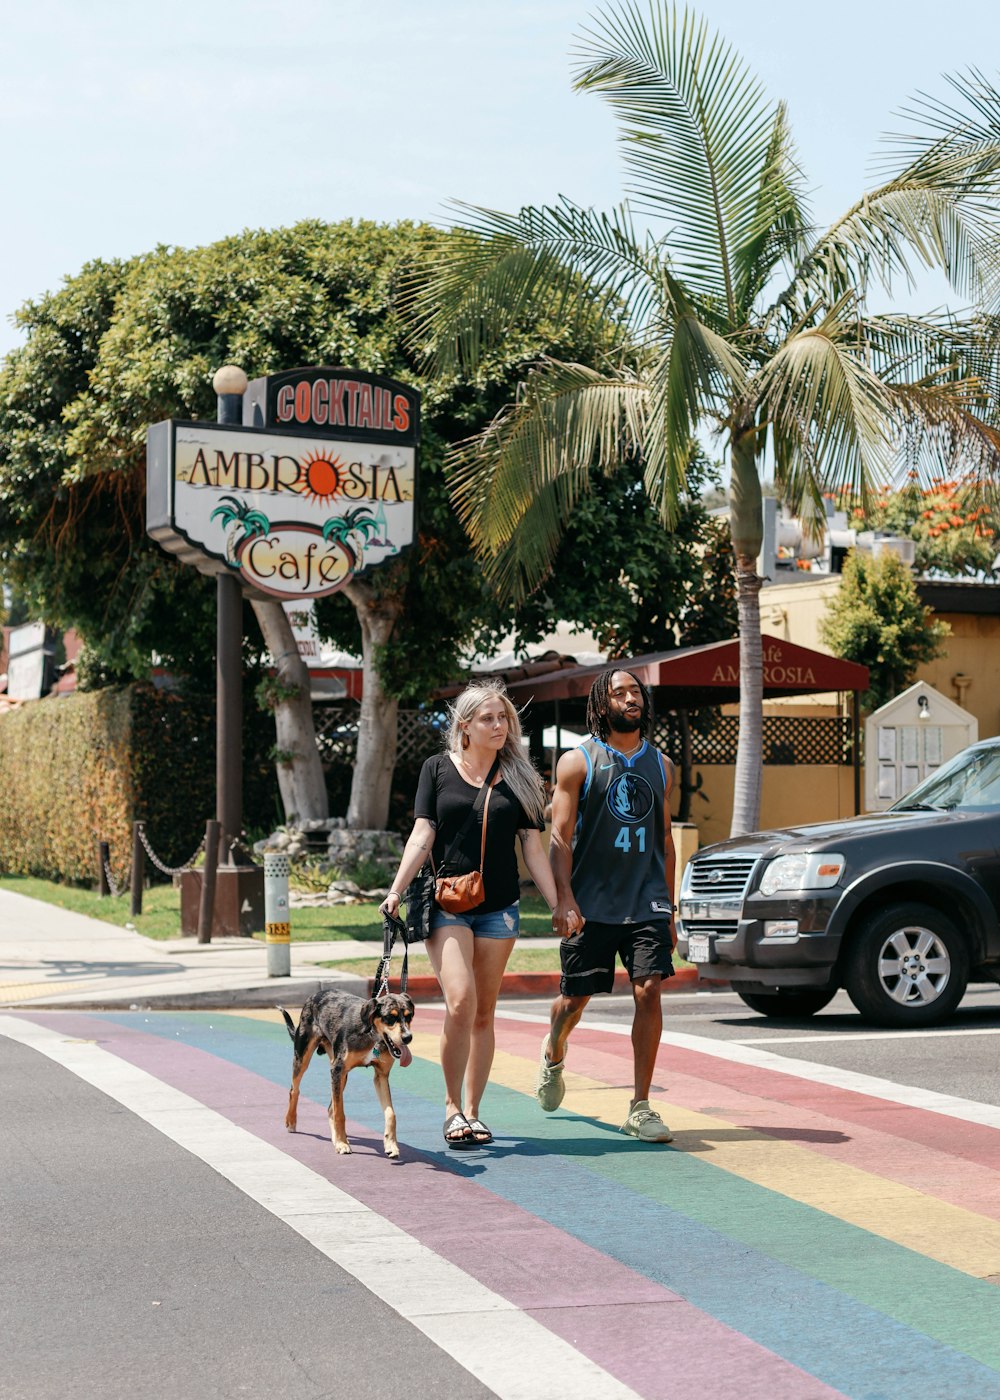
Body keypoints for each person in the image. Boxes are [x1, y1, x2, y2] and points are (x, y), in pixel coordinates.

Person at [381, 682, 564, 1149]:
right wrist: (397, 889)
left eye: (503, 718)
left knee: (484, 1011)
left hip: (499, 908)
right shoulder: (437, 770)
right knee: (460, 1001)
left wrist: (558, 901)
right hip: (447, 902)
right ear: (465, 726)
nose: (499, 726)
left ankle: (475, 1112)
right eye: (488, 719)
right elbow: (423, 832)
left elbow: (532, 848)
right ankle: (450, 1107)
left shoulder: (522, 777)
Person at [536, 667, 676, 1142]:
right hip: (591, 904)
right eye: (620, 693)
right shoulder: (578, 761)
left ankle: (640, 1106)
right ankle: (554, 1051)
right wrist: (564, 898)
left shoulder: (662, 764)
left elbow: (666, 839)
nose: (631, 698)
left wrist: (669, 907)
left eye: (636, 691)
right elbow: (559, 835)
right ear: (602, 705)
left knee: (649, 991)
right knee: (574, 1000)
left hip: (646, 900)